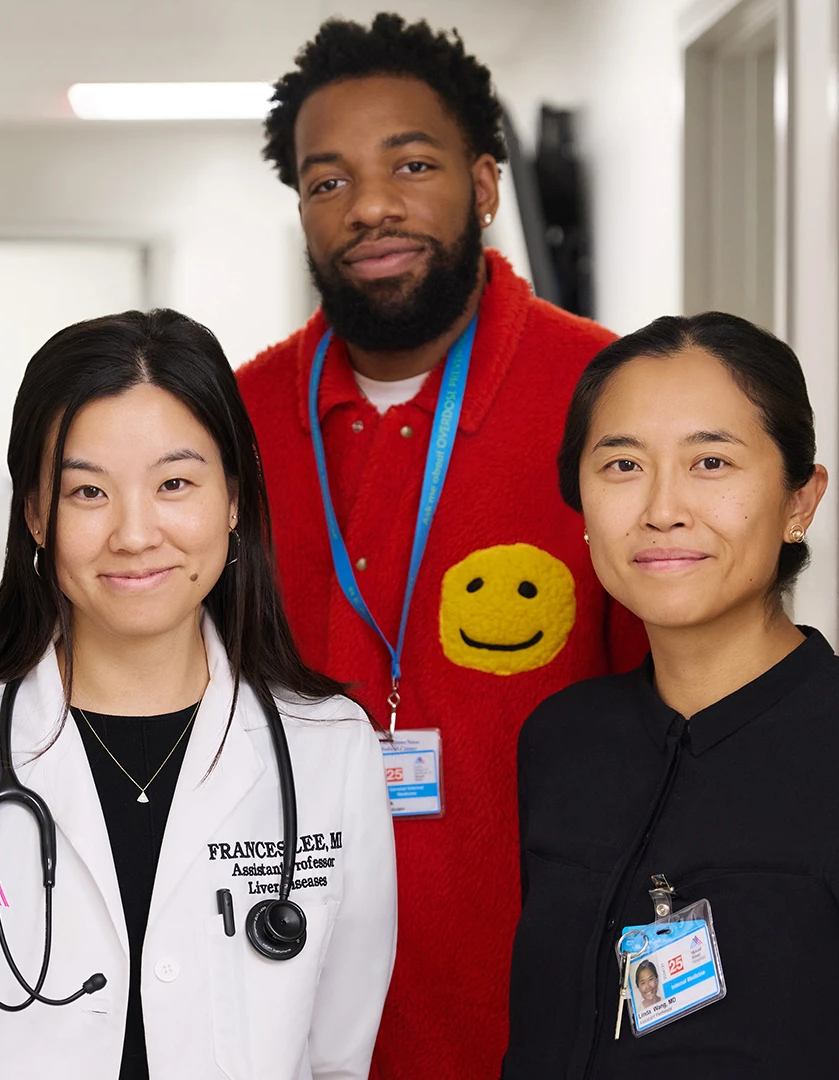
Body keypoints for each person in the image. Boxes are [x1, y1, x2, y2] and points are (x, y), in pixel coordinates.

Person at [235, 16, 648, 1077]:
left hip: (538, 1021)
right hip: (276, 1017)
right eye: (327, 181)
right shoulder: (233, 423)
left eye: (411, 165)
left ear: (485, 184)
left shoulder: (608, 399)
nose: (370, 206)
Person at [0, 310, 397, 1080]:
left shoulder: (331, 750)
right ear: (36, 515)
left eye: (175, 484)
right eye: (87, 492)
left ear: (234, 500)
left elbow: (338, 1057)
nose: (135, 534)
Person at [504, 313, 839, 1077]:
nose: (662, 509)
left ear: (799, 502)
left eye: (711, 462)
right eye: (622, 465)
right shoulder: (561, 743)